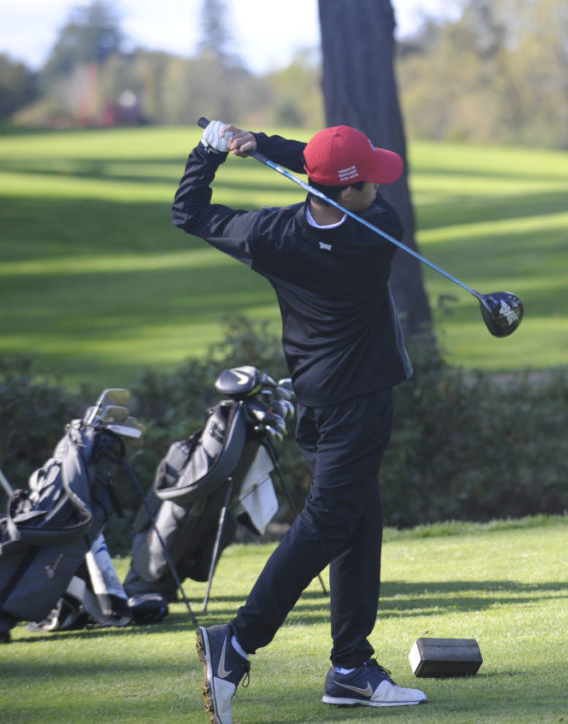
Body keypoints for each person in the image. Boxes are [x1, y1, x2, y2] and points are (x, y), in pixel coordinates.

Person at [172, 119, 426, 724]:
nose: (378, 187)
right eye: (368, 180)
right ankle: (234, 643)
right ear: (349, 194)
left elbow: (189, 212)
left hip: (312, 403)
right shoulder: (378, 232)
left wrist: (214, 151)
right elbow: (334, 178)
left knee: (361, 520)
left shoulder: (270, 234)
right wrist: (270, 145)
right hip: (359, 404)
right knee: (330, 522)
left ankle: (350, 669)